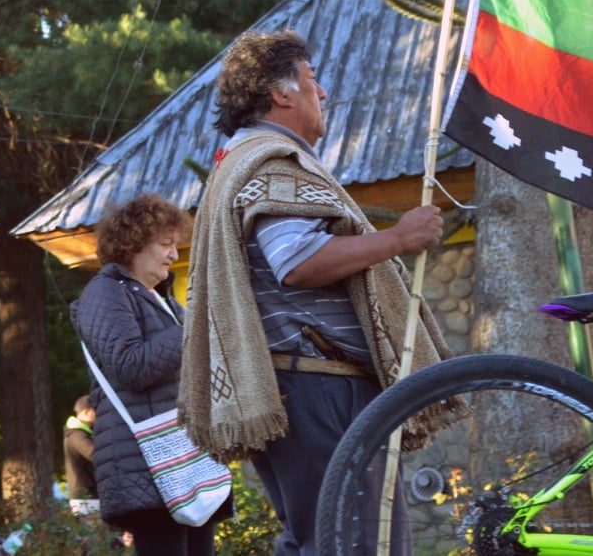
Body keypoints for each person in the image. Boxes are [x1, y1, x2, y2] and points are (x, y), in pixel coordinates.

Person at [181, 30, 460, 556]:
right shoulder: (273, 159)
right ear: (281, 94)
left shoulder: (241, 161)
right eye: (312, 80)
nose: (323, 93)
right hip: (322, 391)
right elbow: (298, 261)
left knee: (324, 541)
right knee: (356, 545)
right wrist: (398, 238)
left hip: (306, 389)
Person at [73, 195, 230, 556]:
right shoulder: (104, 292)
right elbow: (130, 365)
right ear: (133, 242)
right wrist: (192, 329)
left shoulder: (155, 297)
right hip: (148, 465)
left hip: (178, 459)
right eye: (165, 243)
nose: (174, 254)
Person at [63, 394, 98, 518]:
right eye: (96, 410)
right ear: (87, 412)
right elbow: (94, 455)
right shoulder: (78, 435)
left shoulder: (78, 433)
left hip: (86, 496)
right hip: (86, 497)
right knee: (97, 535)